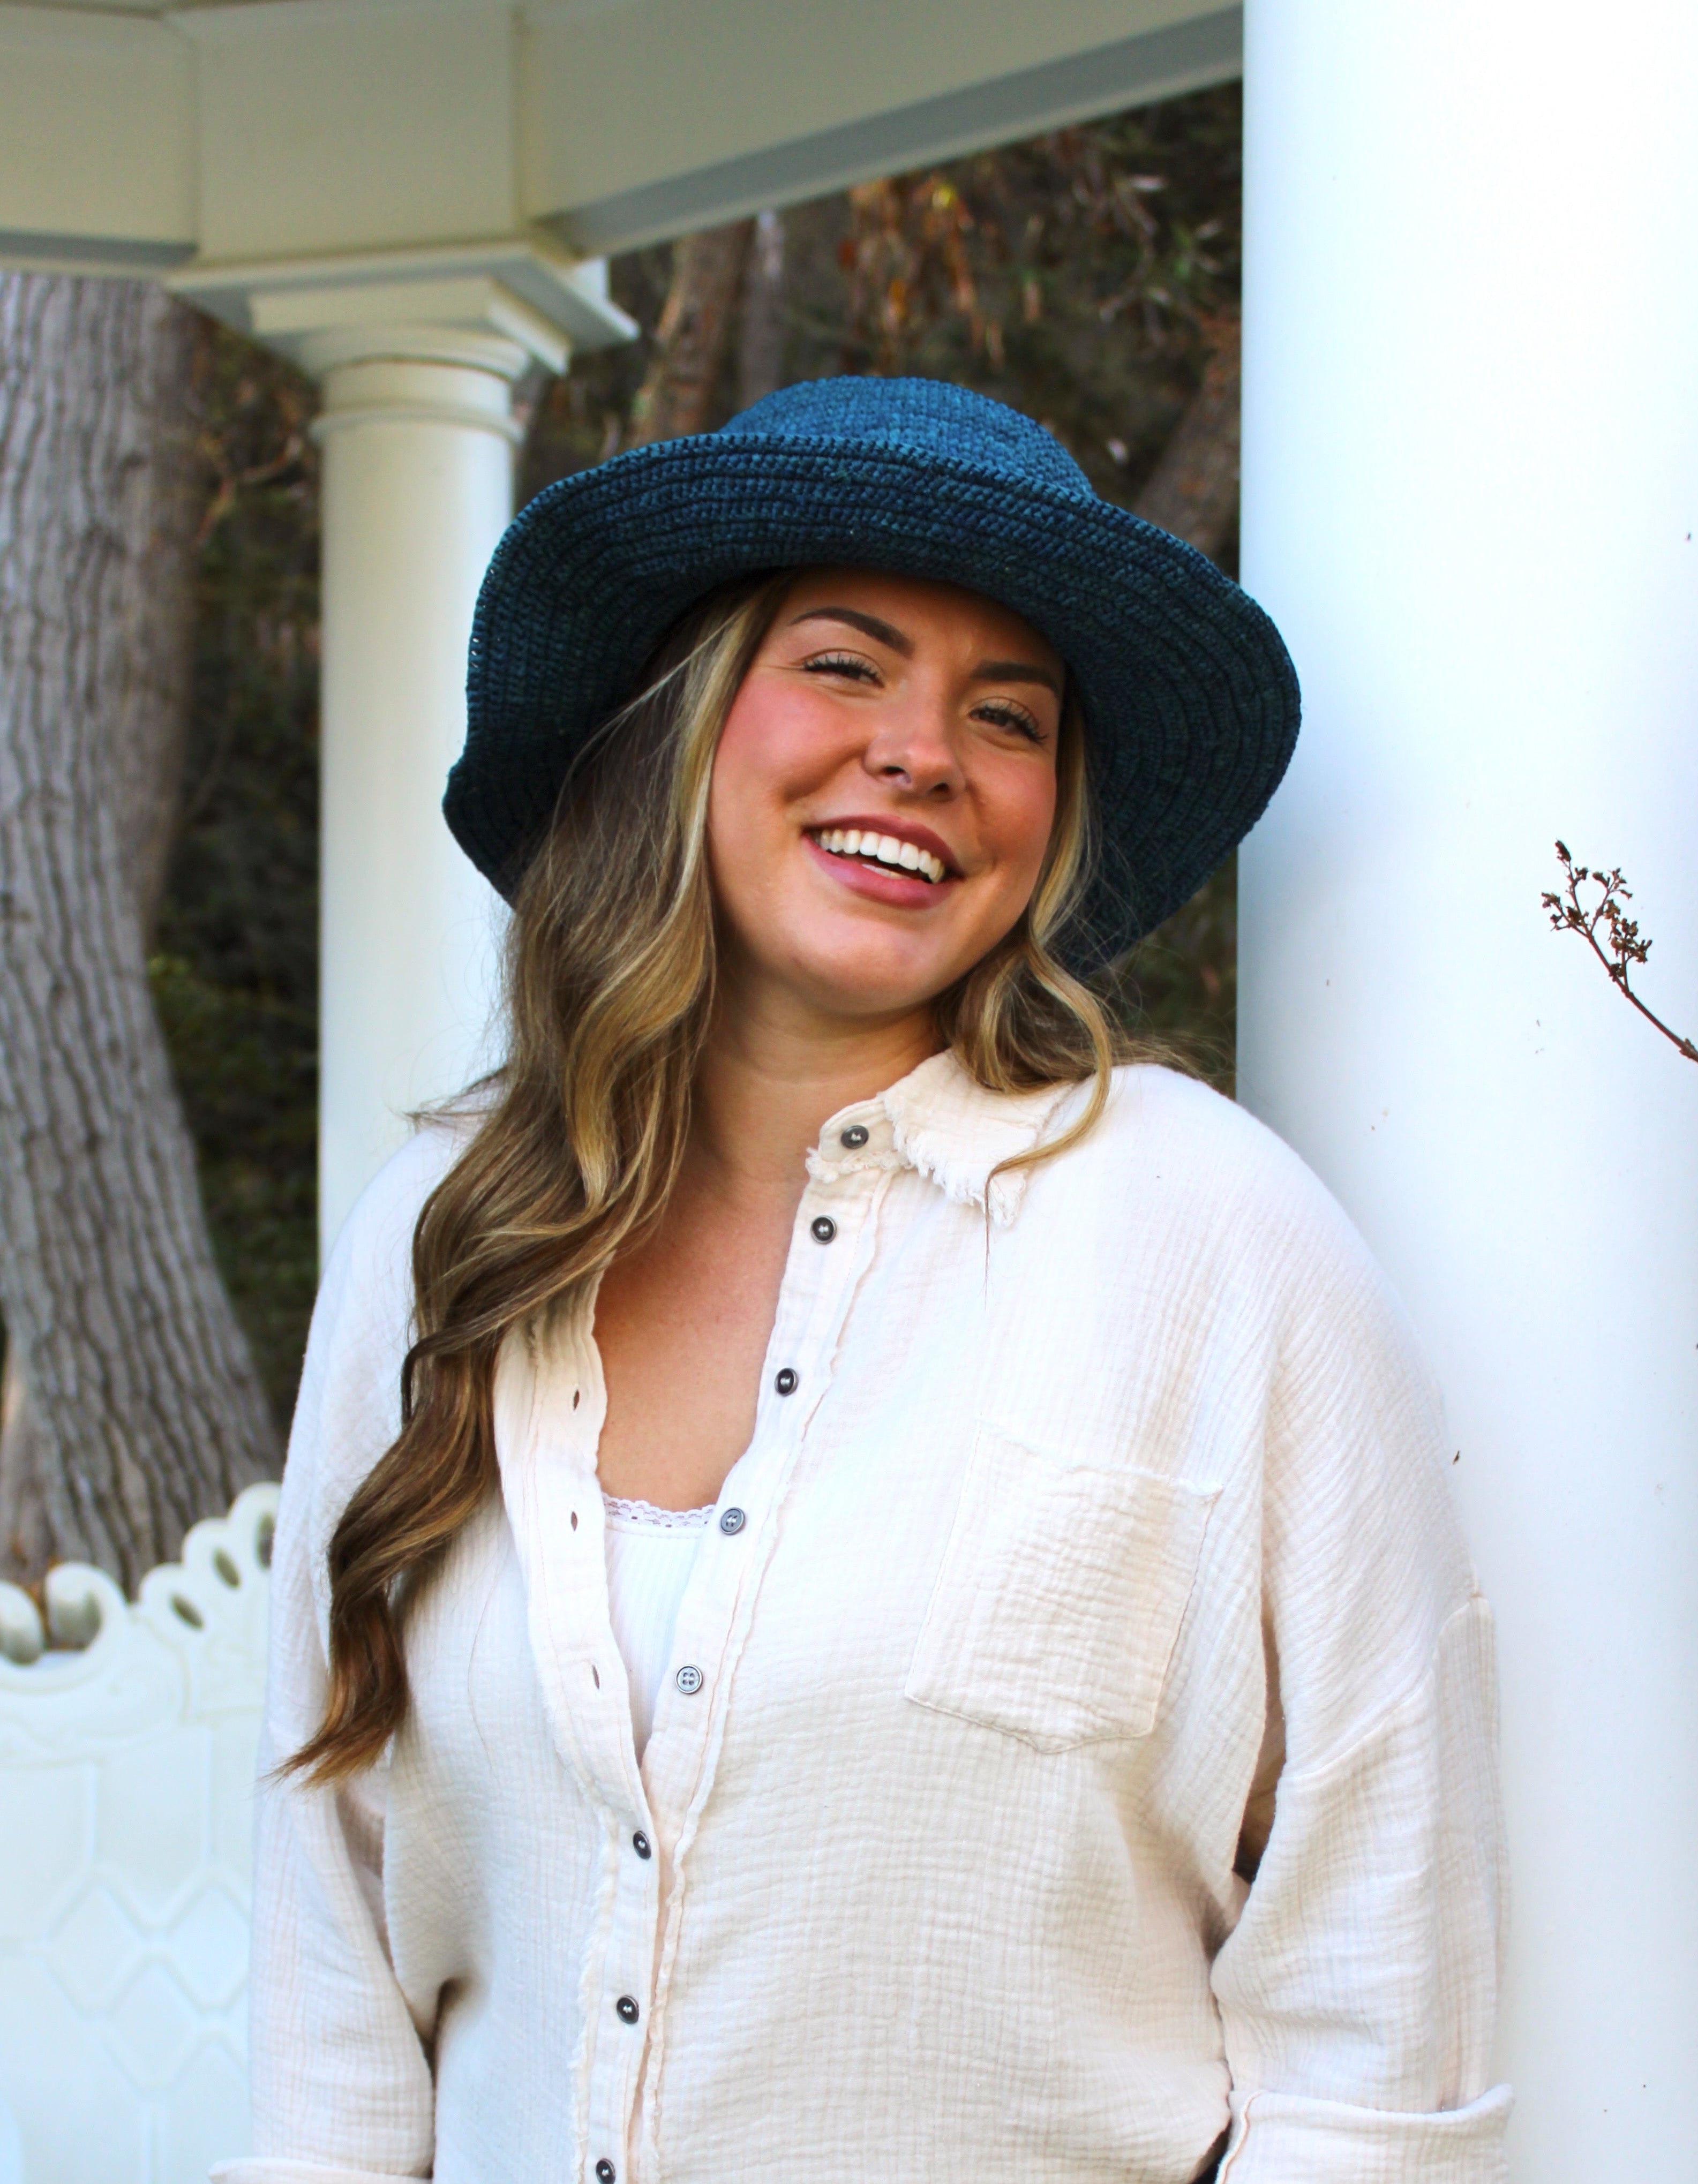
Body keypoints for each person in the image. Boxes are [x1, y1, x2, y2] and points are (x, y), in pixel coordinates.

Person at [215, 378, 1508, 2184]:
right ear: (686, 720)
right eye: (844, 665)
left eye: (1009, 715)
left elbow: (1379, 2026)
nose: (924, 753)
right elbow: (332, 2005)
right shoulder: (448, 1233)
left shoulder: (1212, 1241)